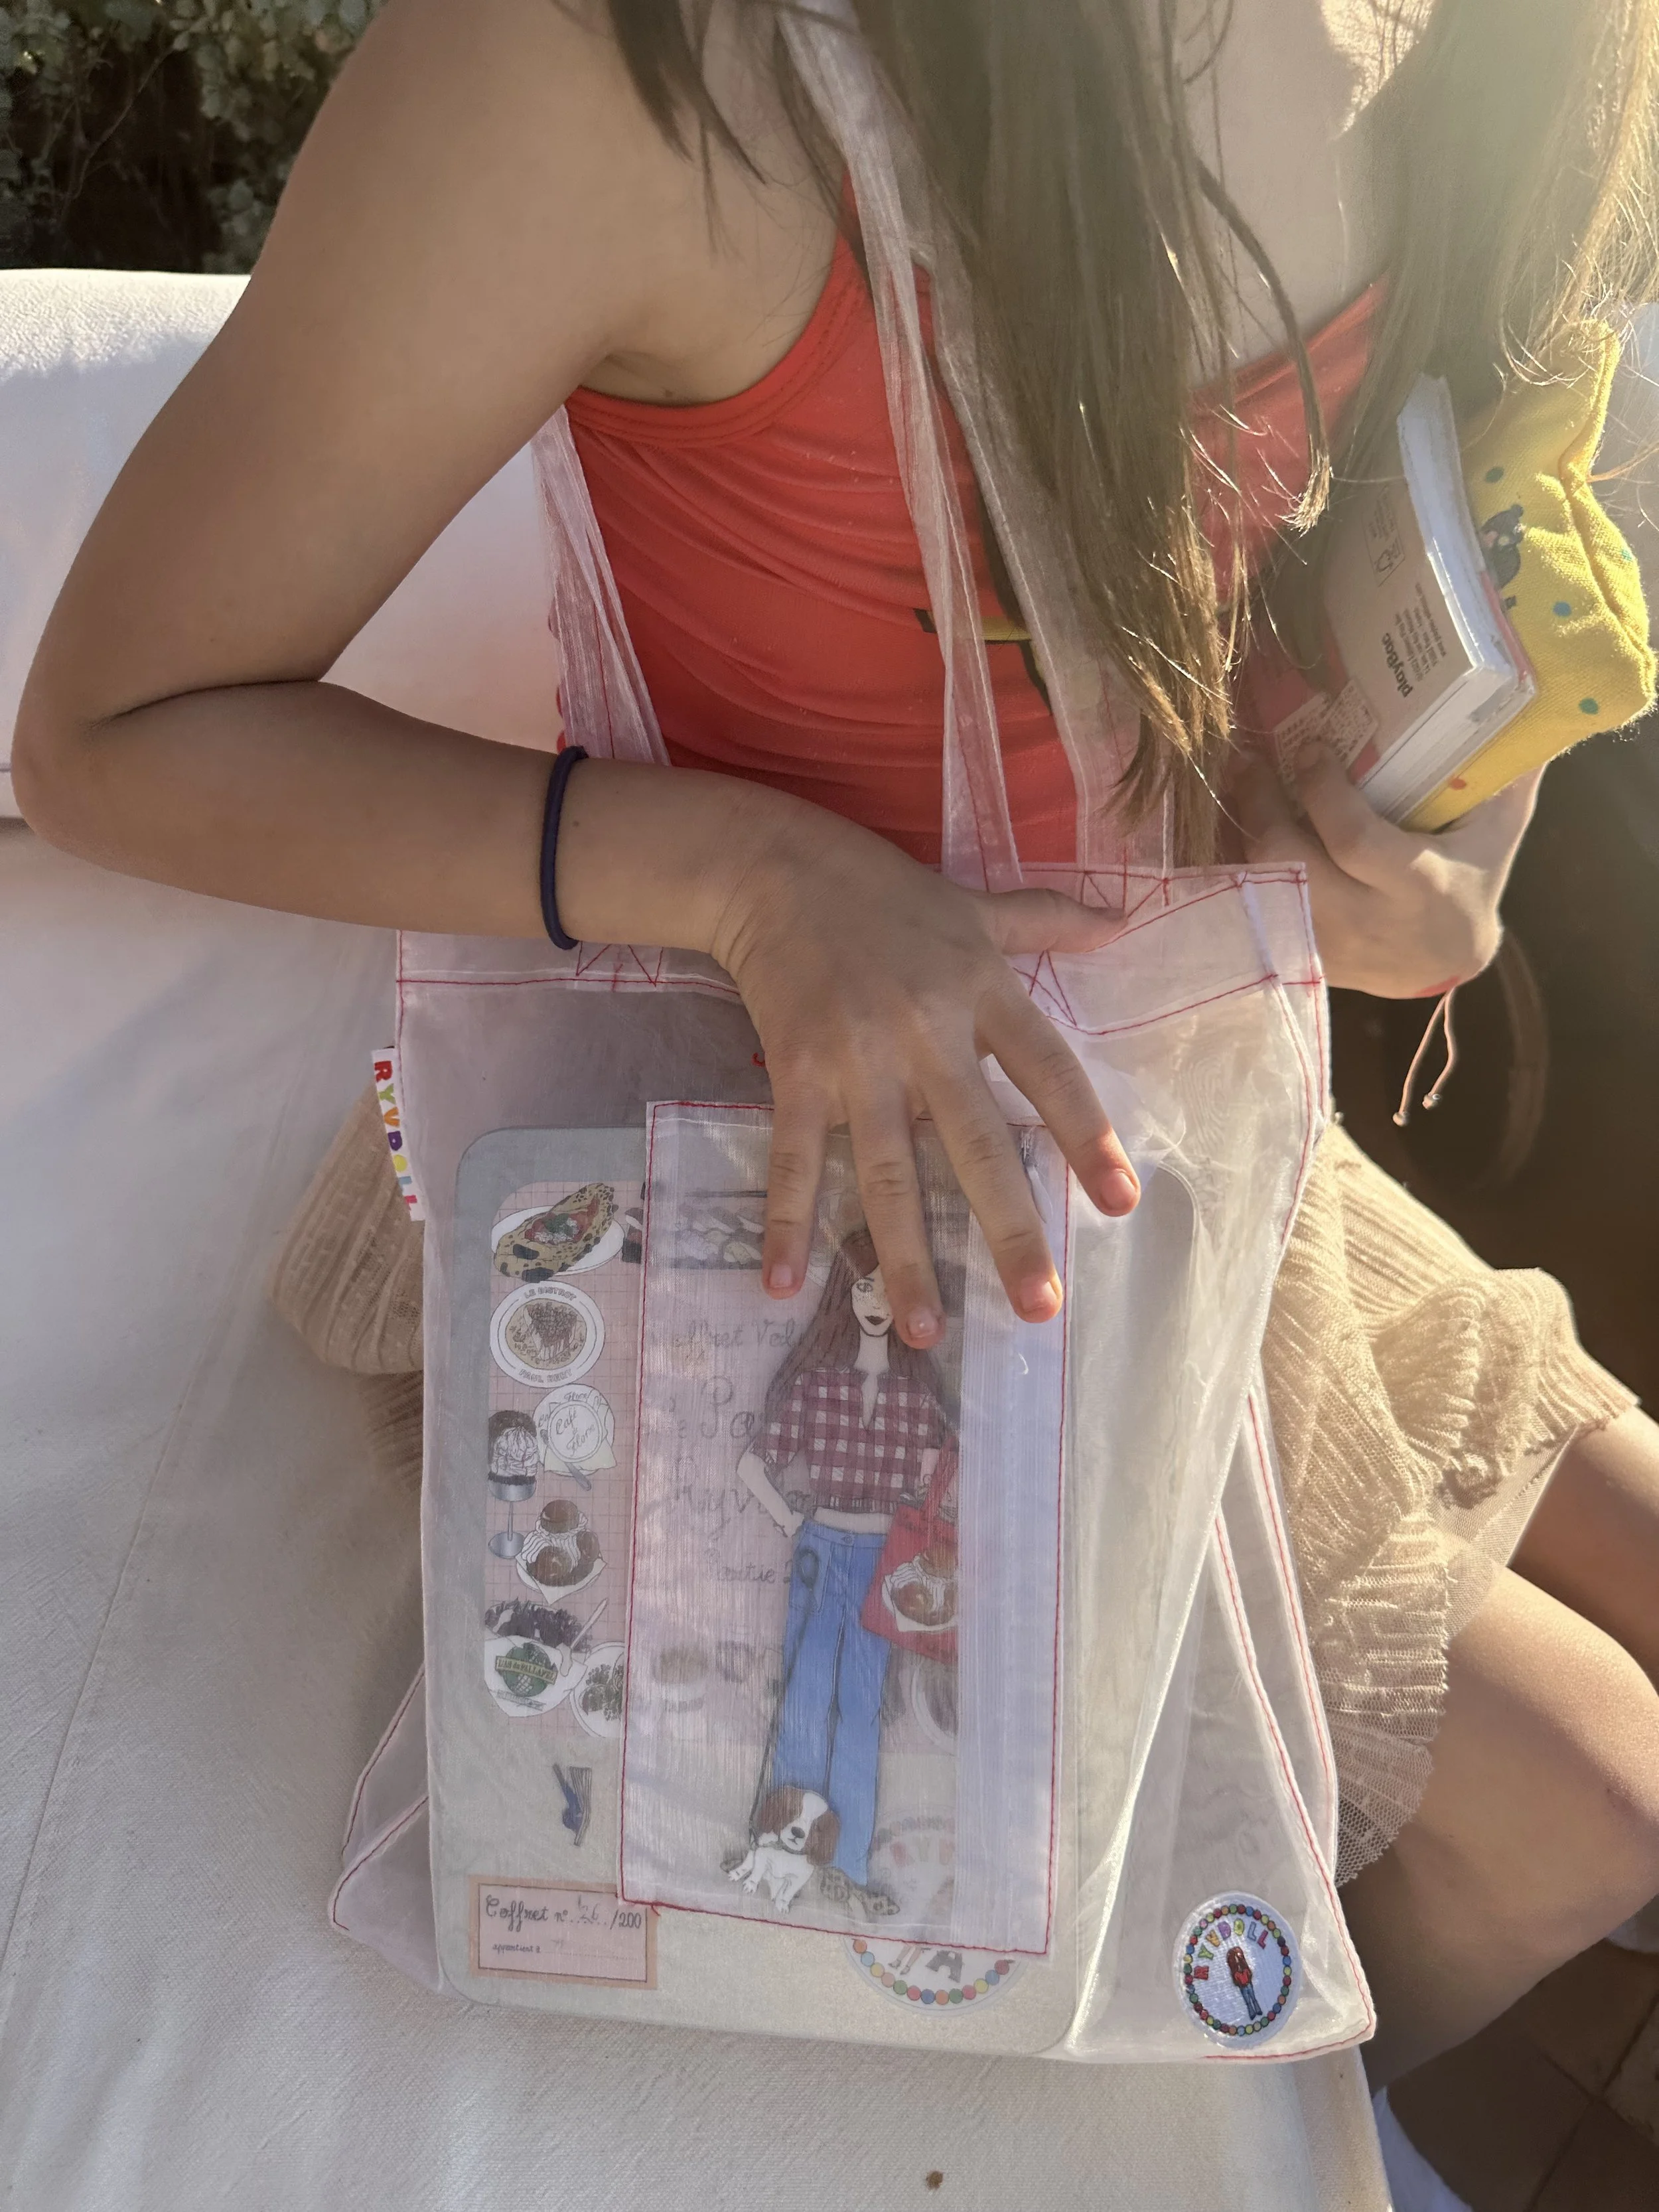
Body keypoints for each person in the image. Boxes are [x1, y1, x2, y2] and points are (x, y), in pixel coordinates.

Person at [13, 0, 1659, 2105]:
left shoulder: (1510, 40)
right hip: (763, 1150)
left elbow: (1499, 478)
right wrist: (755, 880)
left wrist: (1445, 856)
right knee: (1578, 1802)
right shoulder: (636, 72)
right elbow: (111, 737)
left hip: (1160, 1099)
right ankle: (1221, 2126)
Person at [737, 1225, 951, 1912]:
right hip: (819, 1545)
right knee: (804, 1696)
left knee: (861, 1710)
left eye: (890, 1288)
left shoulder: (920, 1401)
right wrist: (793, 1521)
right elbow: (753, 1464)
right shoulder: (819, 1388)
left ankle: (847, 1863)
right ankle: (777, 1844)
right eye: (864, 1285)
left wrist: (933, 1536)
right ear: (846, 1293)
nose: (876, 1300)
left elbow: (946, 1477)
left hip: (885, 1562)